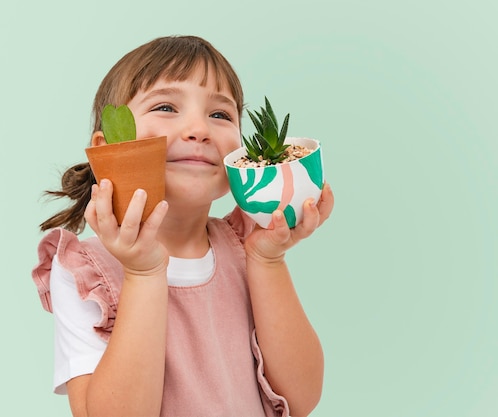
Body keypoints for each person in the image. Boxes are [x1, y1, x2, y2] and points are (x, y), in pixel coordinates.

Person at [32, 35, 334, 417]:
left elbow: (301, 398)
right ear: (109, 146)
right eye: (165, 106)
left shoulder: (249, 245)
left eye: (220, 115)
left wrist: (269, 261)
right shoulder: (83, 271)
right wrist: (143, 273)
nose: (198, 129)